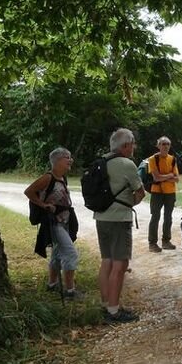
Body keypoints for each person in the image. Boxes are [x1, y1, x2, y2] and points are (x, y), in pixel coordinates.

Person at [93, 129, 145, 323]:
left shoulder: (101, 162)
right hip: (119, 220)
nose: (134, 147)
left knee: (106, 260)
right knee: (120, 264)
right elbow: (140, 192)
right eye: (132, 144)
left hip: (101, 217)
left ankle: (106, 304)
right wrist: (129, 203)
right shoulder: (126, 164)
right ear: (125, 146)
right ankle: (114, 311)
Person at [25, 147, 82, 300]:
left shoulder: (62, 177)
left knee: (57, 253)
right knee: (70, 253)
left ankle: (52, 284)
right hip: (54, 222)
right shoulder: (48, 178)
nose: (70, 160)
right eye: (67, 157)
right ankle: (70, 291)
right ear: (57, 161)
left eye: (70, 157)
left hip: (65, 220)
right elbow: (29, 191)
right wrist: (43, 205)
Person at [146, 136, 179, 252]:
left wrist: (163, 177)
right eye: (163, 144)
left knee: (168, 217)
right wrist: (169, 175)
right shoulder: (152, 159)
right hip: (157, 192)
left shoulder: (172, 159)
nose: (166, 146)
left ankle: (166, 241)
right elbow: (156, 177)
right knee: (155, 217)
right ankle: (152, 243)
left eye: (168, 144)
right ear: (158, 146)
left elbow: (177, 179)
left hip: (170, 192)